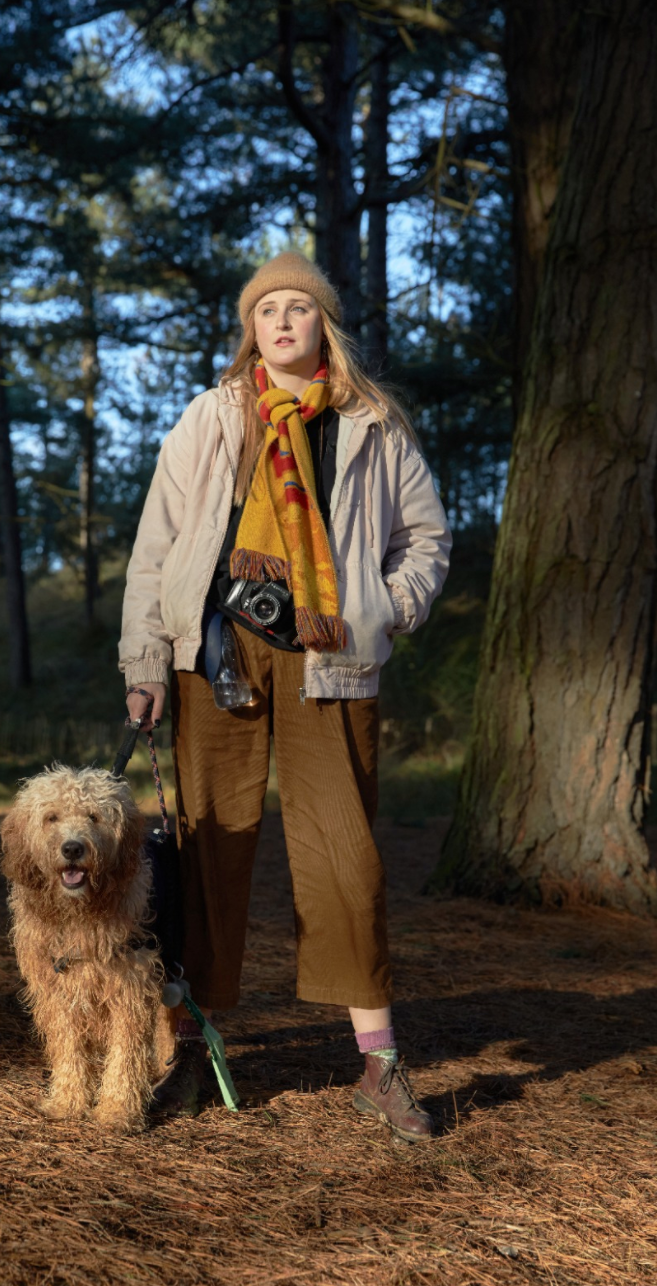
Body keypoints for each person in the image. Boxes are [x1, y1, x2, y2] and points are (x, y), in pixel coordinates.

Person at [118, 251, 451, 1141]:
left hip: (328, 657)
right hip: (214, 654)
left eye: (299, 307)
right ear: (251, 329)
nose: (282, 322)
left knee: (347, 857)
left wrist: (382, 609)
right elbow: (157, 546)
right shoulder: (212, 416)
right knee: (207, 857)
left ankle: (380, 1063)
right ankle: (191, 1050)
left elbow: (425, 540)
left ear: (323, 324)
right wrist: (145, 663)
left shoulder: (373, 423)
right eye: (267, 311)